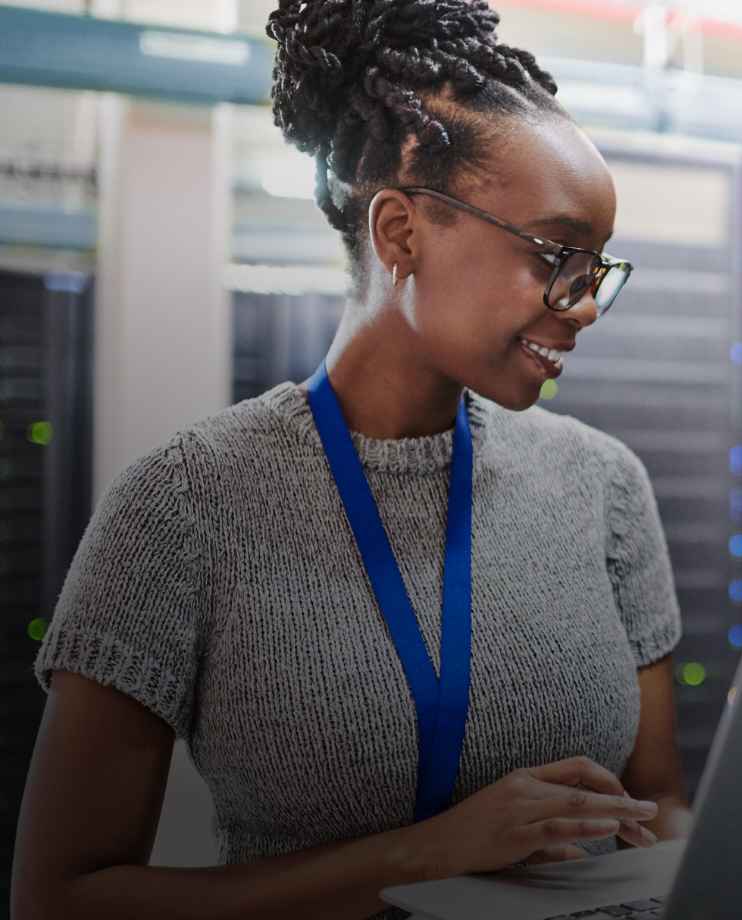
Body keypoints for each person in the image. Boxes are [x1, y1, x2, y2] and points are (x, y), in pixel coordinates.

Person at [11, 2, 692, 919]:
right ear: (401, 233)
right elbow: (62, 898)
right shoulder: (186, 500)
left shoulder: (604, 486)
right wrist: (423, 858)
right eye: (557, 257)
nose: (585, 305)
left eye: (598, 269)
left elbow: (662, 811)